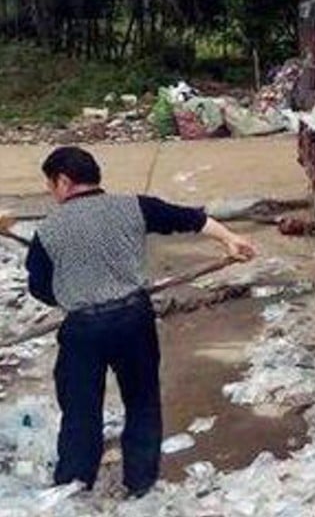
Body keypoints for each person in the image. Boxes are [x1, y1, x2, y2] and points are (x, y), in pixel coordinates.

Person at [24, 146, 257, 497]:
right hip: (134, 319)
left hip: (84, 328)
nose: (51, 194)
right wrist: (230, 240)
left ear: (64, 181)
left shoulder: (48, 231)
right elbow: (190, 218)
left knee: (80, 408)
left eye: (51, 186)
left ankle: (74, 485)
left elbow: (39, 287)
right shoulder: (134, 206)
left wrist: (73, 294)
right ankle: (141, 484)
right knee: (142, 401)